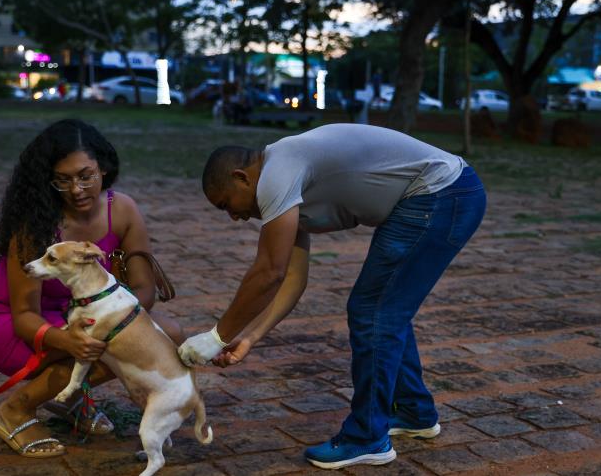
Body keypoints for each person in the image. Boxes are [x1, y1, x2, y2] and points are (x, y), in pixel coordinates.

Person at [177, 123, 486, 470]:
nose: (234, 217)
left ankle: (366, 437)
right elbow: (293, 280)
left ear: (241, 177)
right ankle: (414, 411)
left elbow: (268, 272)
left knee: (373, 311)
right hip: (447, 194)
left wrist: (216, 336)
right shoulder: (289, 182)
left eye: (226, 204)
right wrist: (249, 338)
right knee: (384, 309)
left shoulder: (278, 172)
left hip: (442, 194)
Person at [0, 119, 183, 458]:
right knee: (95, 344)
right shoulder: (36, 223)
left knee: (169, 333)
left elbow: (143, 290)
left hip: (76, 314)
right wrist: (68, 339)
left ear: (105, 168)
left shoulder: (122, 210)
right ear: (48, 180)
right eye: (63, 180)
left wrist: (119, 325)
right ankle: (16, 410)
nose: (77, 189)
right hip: (11, 324)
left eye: (86, 176)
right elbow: (24, 314)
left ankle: (67, 398)